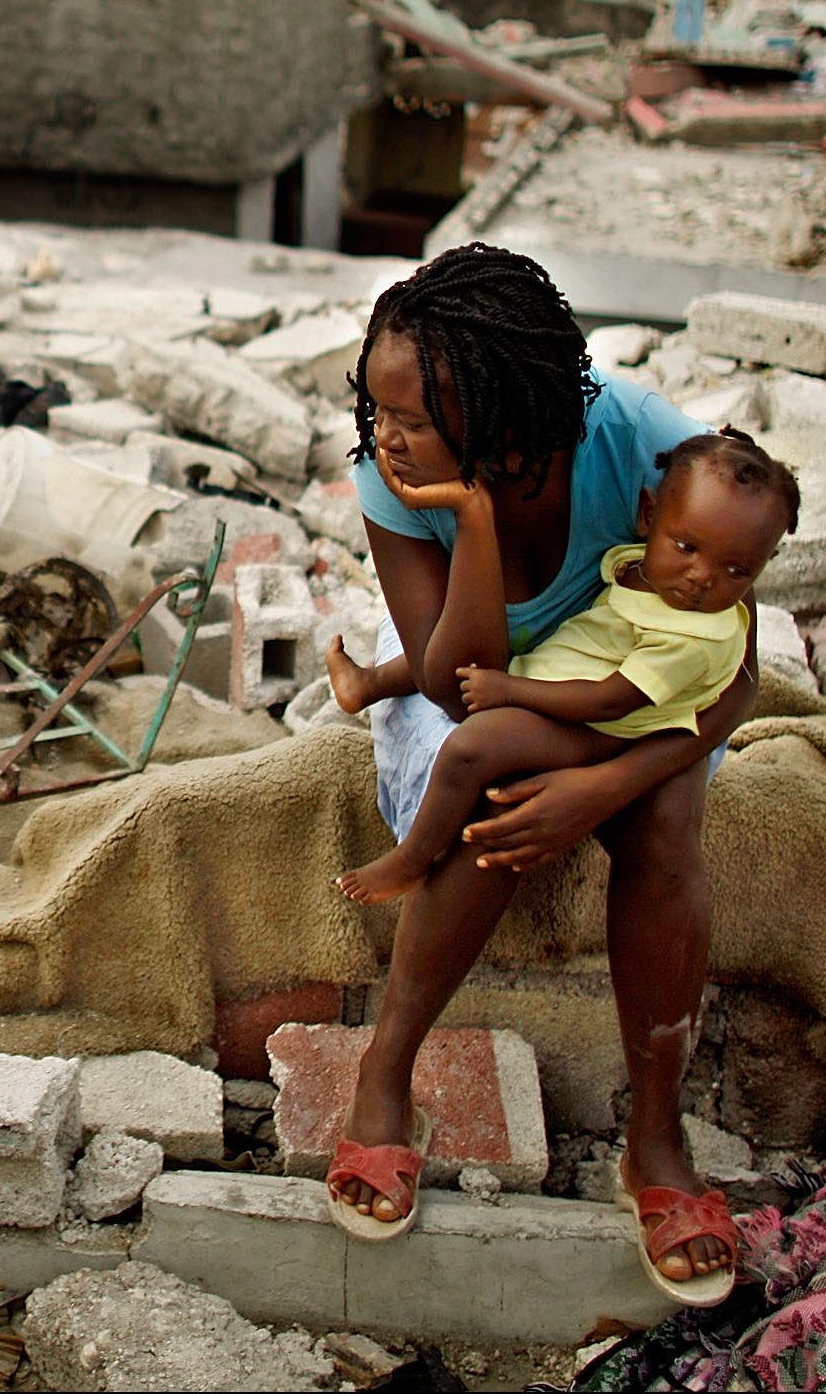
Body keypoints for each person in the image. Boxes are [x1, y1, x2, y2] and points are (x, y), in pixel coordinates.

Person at [307, 244, 759, 1306]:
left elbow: (734, 671)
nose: (385, 436)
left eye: (412, 415)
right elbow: (458, 683)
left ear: (507, 406)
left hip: (627, 684)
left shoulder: (644, 444)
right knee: (490, 804)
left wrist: (604, 788)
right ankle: (385, 1076)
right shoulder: (395, 479)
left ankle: (654, 1139)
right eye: (378, 409)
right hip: (488, 681)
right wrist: (465, 517)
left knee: (665, 834)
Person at [331, 430, 800, 907]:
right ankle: (370, 683)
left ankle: (412, 859)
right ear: (648, 515)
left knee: (469, 749)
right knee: (462, 652)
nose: (703, 577)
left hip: (603, 726)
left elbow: (611, 700)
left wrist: (511, 690)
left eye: (737, 571)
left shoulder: (696, 637)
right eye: (686, 547)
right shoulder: (645, 570)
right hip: (570, 672)